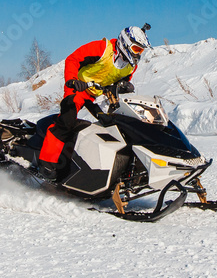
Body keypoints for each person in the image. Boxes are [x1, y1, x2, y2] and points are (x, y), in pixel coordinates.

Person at [37, 24, 151, 180]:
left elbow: (121, 80)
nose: (139, 54)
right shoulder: (102, 48)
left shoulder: (131, 66)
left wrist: (122, 86)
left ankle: (122, 168)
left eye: (141, 51)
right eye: (137, 49)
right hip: (78, 88)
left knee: (118, 124)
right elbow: (73, 59)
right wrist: (72, 80)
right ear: (125, 43)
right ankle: (46, 164)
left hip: (99, 96)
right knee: (67, 121)